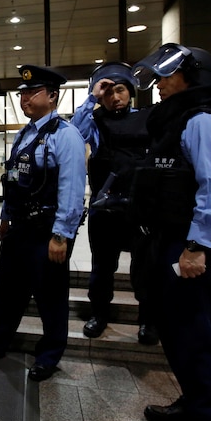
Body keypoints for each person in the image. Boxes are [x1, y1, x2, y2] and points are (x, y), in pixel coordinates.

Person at [130, 43, 211, 421]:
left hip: (187, 246)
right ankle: (193, 404)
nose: (157, 84)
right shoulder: (172, 121)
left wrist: (197, 247)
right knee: (174, 332)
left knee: (193, 337)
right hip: (166, 241)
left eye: (166, 76)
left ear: (191, 77)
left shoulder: (202, 120)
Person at [0, 65, 86, 383]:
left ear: (52, 96)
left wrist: (62, 234)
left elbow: (71, 189)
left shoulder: (66, 136)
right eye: (23, 93)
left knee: (50, 297)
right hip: (19, 229)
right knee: (5, 290)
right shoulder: (26, 134)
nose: (24, 97)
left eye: (32, 92)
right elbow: (13, 180)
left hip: (47, 232)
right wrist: (5, 217)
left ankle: (49, 355)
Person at [71, 62, 157, 345]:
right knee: (102, 268)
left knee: (145, 269)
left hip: (142, 208)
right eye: (107, 92)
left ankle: (148, 320)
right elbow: (73, 137)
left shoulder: (150, 118)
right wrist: (91, 99)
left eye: (119, 90)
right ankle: (99, 314)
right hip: (105, 209)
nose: (114, 97)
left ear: (130, 93)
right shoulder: (95, 121)